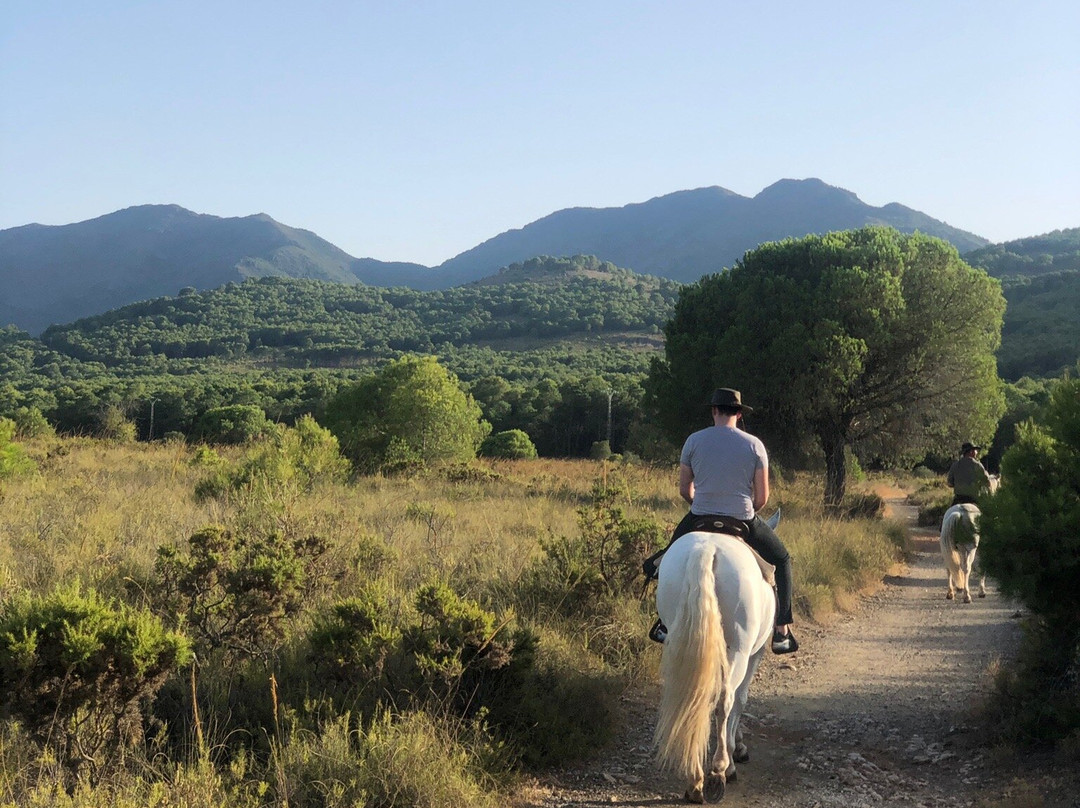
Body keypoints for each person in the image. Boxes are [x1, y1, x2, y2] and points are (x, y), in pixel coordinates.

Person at [648, 387, 797, 654]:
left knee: (665, 558)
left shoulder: (693, 441)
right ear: (739, 414)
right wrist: (744, 507)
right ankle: (782, 630)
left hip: (699, 517)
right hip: (742, 519)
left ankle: (664, 622)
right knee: (783, 560)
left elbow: (685, 489)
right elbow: (762, 498)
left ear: (714, 411)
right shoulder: (754, 445)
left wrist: (702, 504)